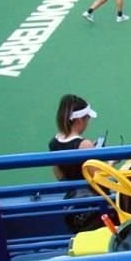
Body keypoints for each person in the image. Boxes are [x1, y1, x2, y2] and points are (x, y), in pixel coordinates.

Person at [49, 94, 107, 233]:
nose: (88, 123)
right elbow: (99, 178)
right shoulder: (84, 145)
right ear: (80, 120)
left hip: (73, 200)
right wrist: (110, 162)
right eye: (87, 119)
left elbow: (59, 175)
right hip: (94, 203)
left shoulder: (53, 143)